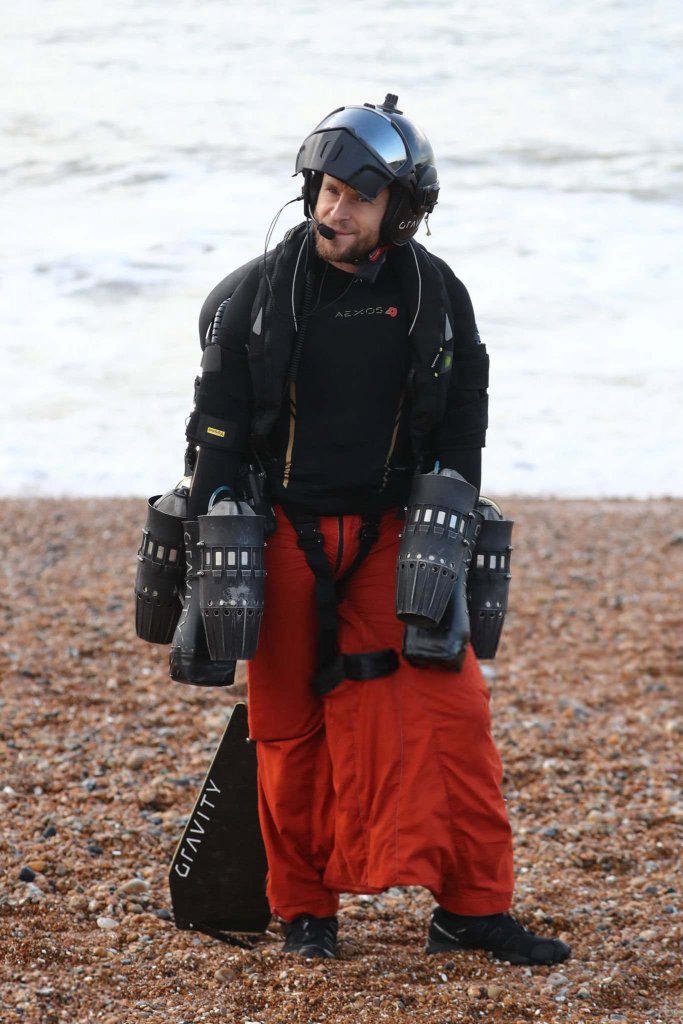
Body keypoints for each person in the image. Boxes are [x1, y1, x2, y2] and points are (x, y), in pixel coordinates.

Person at [180, 94, 570, 965]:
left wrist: (450, 531)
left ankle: (470, 910)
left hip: (396, 535)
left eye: (356, 196)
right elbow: (213, 431)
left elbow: (461, 433)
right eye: (322, 189)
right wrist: (220, 544)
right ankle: (306, 913)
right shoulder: (254, 296)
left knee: (456, 716)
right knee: (288, 732)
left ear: (402, 209)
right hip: (280, 533)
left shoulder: (437, 295)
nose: (332, 209)